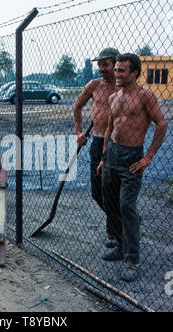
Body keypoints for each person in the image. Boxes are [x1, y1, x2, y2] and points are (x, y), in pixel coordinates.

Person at [97, 53, 168, 282]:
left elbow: (162, 125)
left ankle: (132, 259)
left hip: (132, 158)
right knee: (110, 203)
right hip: (112, 155)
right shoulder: (114, 97)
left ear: (134, 73)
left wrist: (148, 157)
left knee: (127, 206)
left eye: (121, 71)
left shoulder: (145, 95)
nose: (116, 75)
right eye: (116, 70)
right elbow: (109, 128)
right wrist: (103, 156)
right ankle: (119, 244)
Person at [73, 47, 120, 248]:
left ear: (116, 64)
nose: (101, 68)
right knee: (97, 191)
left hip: (118, 144)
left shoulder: (124, 87)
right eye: (99, 64)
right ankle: (121, 221)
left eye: (105, 64)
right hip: (98, 141)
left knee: (113, 190)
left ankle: (114, 232)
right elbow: (77, 107)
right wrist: (79, 132)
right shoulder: (94, 85)